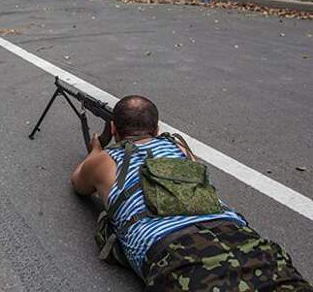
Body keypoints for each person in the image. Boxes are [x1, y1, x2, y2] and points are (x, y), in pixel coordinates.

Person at [71, 95, 312, 292]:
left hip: (176, 256)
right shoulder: (179, 146)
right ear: (157, 128)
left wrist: (95, 150)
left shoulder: (104, 160)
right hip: (242, 237)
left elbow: (79, 184)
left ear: (113, 128)